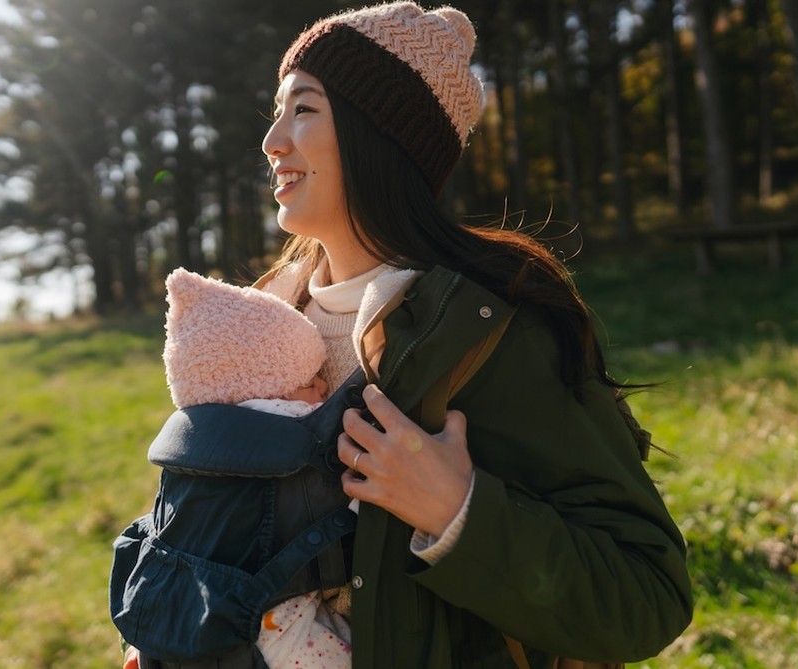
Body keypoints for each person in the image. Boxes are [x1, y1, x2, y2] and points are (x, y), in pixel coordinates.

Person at [122, 2, 692, 667]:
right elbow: (204, 527)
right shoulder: (259, 324)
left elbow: (646, 593)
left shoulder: (488, 330)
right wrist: (166, 636)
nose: (273, 140)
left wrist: (459, 511)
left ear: (379, 135)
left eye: (303, 109)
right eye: (277, 111)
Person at [159, 267, 351, 669]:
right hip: (275, 626)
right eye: (308, 380)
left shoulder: (197, 439)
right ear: (269, 390)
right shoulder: (283, 435)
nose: (322, 387)